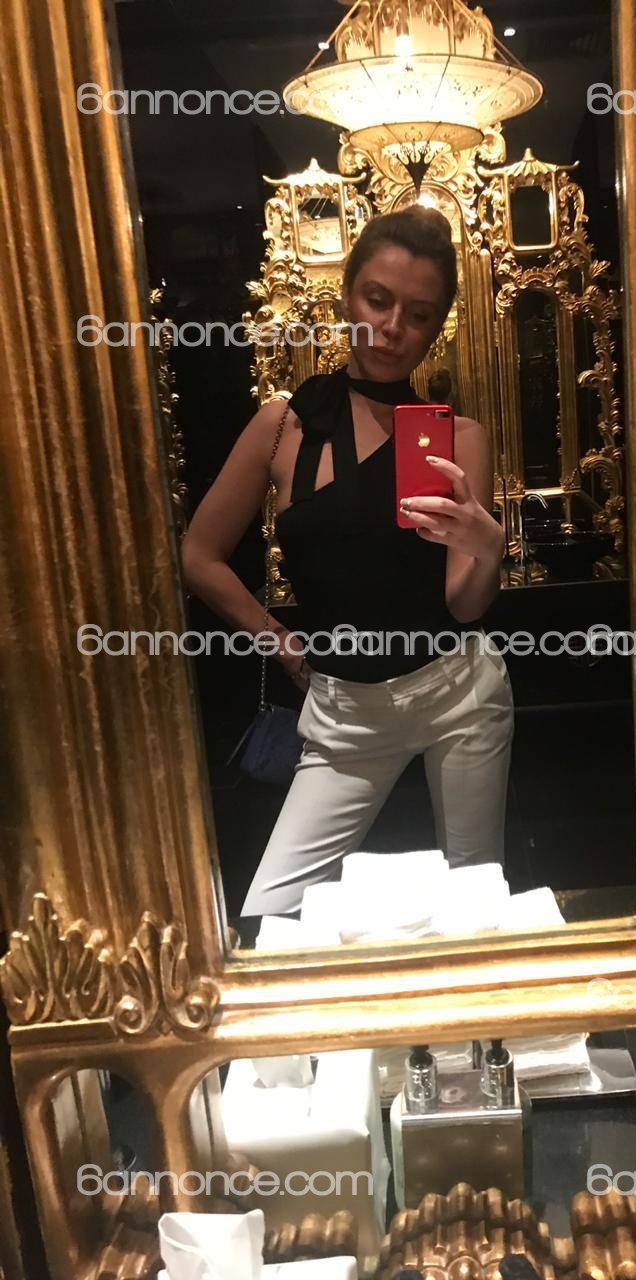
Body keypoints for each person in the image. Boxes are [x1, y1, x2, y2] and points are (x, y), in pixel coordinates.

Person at [181, 205, 514, 918]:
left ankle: (462, 998)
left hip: (459, 696)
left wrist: (488, 548)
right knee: (269, 915)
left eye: (418, 314)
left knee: (477, 908)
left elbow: (464, 604)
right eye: (378, 300)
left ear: (438, 325)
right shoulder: (283, 427)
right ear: (346, 298)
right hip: (343, 716)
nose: (393, 328)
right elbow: (199, 556)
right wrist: (279, 641)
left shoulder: (460, 439)